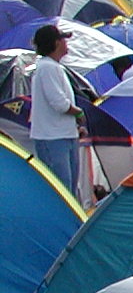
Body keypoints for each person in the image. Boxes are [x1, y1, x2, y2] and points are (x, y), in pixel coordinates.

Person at [29, 24, 83, 194]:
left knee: (70, 189)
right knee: (61, 190)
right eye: (63, 40)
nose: (66, 44)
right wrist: (79, 113)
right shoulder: (47, 67)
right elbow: (59, 103)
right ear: (56, 43)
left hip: (65, 134)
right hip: (52, 137)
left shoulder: (54, 67)